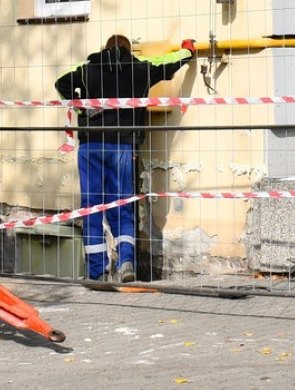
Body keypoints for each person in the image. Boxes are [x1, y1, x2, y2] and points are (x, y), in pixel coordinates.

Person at [53, 34, 195, 283]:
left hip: (91, 146)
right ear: (130, 51)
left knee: (92, 209)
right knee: (122, 208)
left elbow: (62, 83)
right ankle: (126, 262)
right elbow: (169, 63)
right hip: (122, 147)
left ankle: (96, 273)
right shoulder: (140, 69)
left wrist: (81, 108)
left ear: (104, 48)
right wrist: (188, 51)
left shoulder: (88, 69)